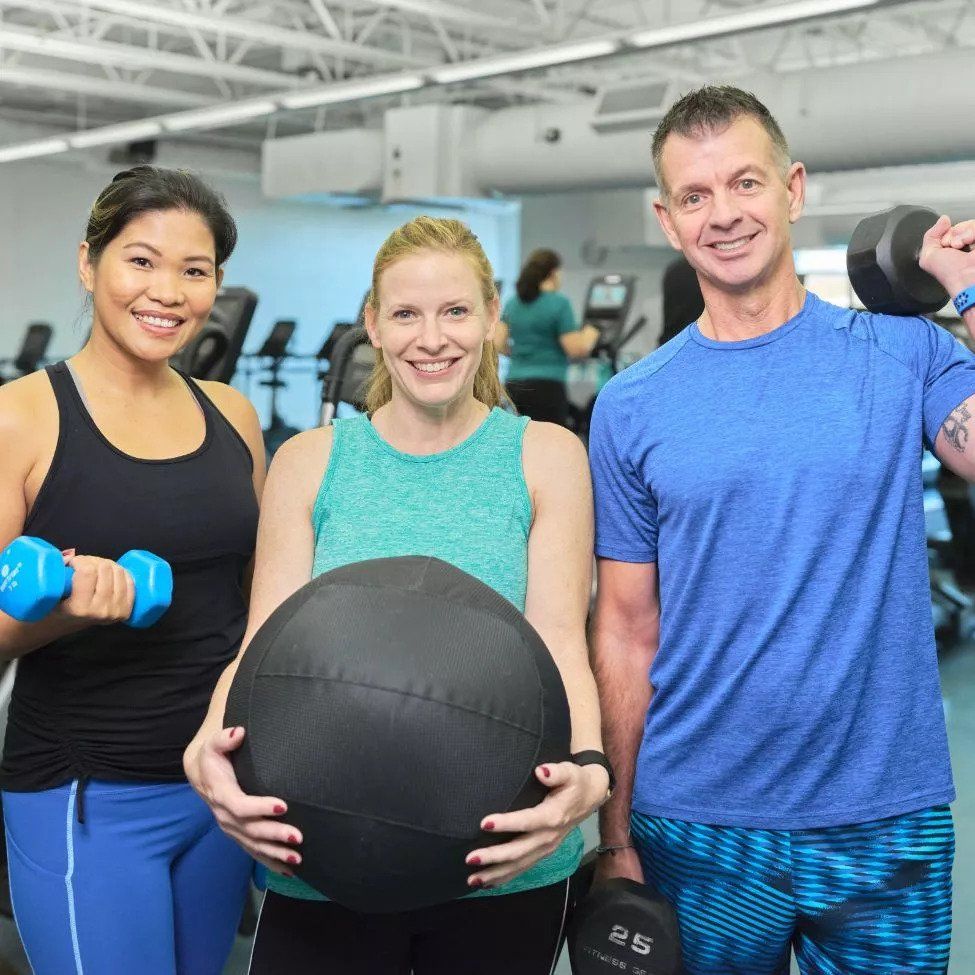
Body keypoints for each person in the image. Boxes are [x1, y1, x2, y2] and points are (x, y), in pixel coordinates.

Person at [589, 85, 975, 975]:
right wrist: (615, 834)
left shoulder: (901, 351)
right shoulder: (630, 405)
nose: (722, 214)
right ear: (665, 217)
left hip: (886, 815)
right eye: (694, 195)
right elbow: (623, 626)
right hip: (698, 818)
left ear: (792, 189)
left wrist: (964, 286)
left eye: (745, 183)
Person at [185, 216, 611, 974]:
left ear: (489, 320)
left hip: (500, 852)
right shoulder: (310, 462)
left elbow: (558, 640)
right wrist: (206, 748)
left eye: (454, 311)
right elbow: (262, 648)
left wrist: (589, 770)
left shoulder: (545, 454)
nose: (432, 338)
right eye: (406, 314)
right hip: (320, 850)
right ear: (373, 326)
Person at [0, 166, 265, 975]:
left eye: (195, 270)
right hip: (87, 795)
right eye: (140, 260)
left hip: (217, 789)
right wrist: (68, 609)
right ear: (90, 263)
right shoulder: (21, 418)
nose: (169, 291)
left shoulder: (232, 413)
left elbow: (260, 598)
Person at [498, 248, 600, 425]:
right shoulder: (559, 303)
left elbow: (498, 343)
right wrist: (592, 332)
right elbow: (576, 349)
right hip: (547, 387)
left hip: (515, 385)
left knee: (520, 441)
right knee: (549, 444)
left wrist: (522, 352)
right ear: (553, 273)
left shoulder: (513, 303)